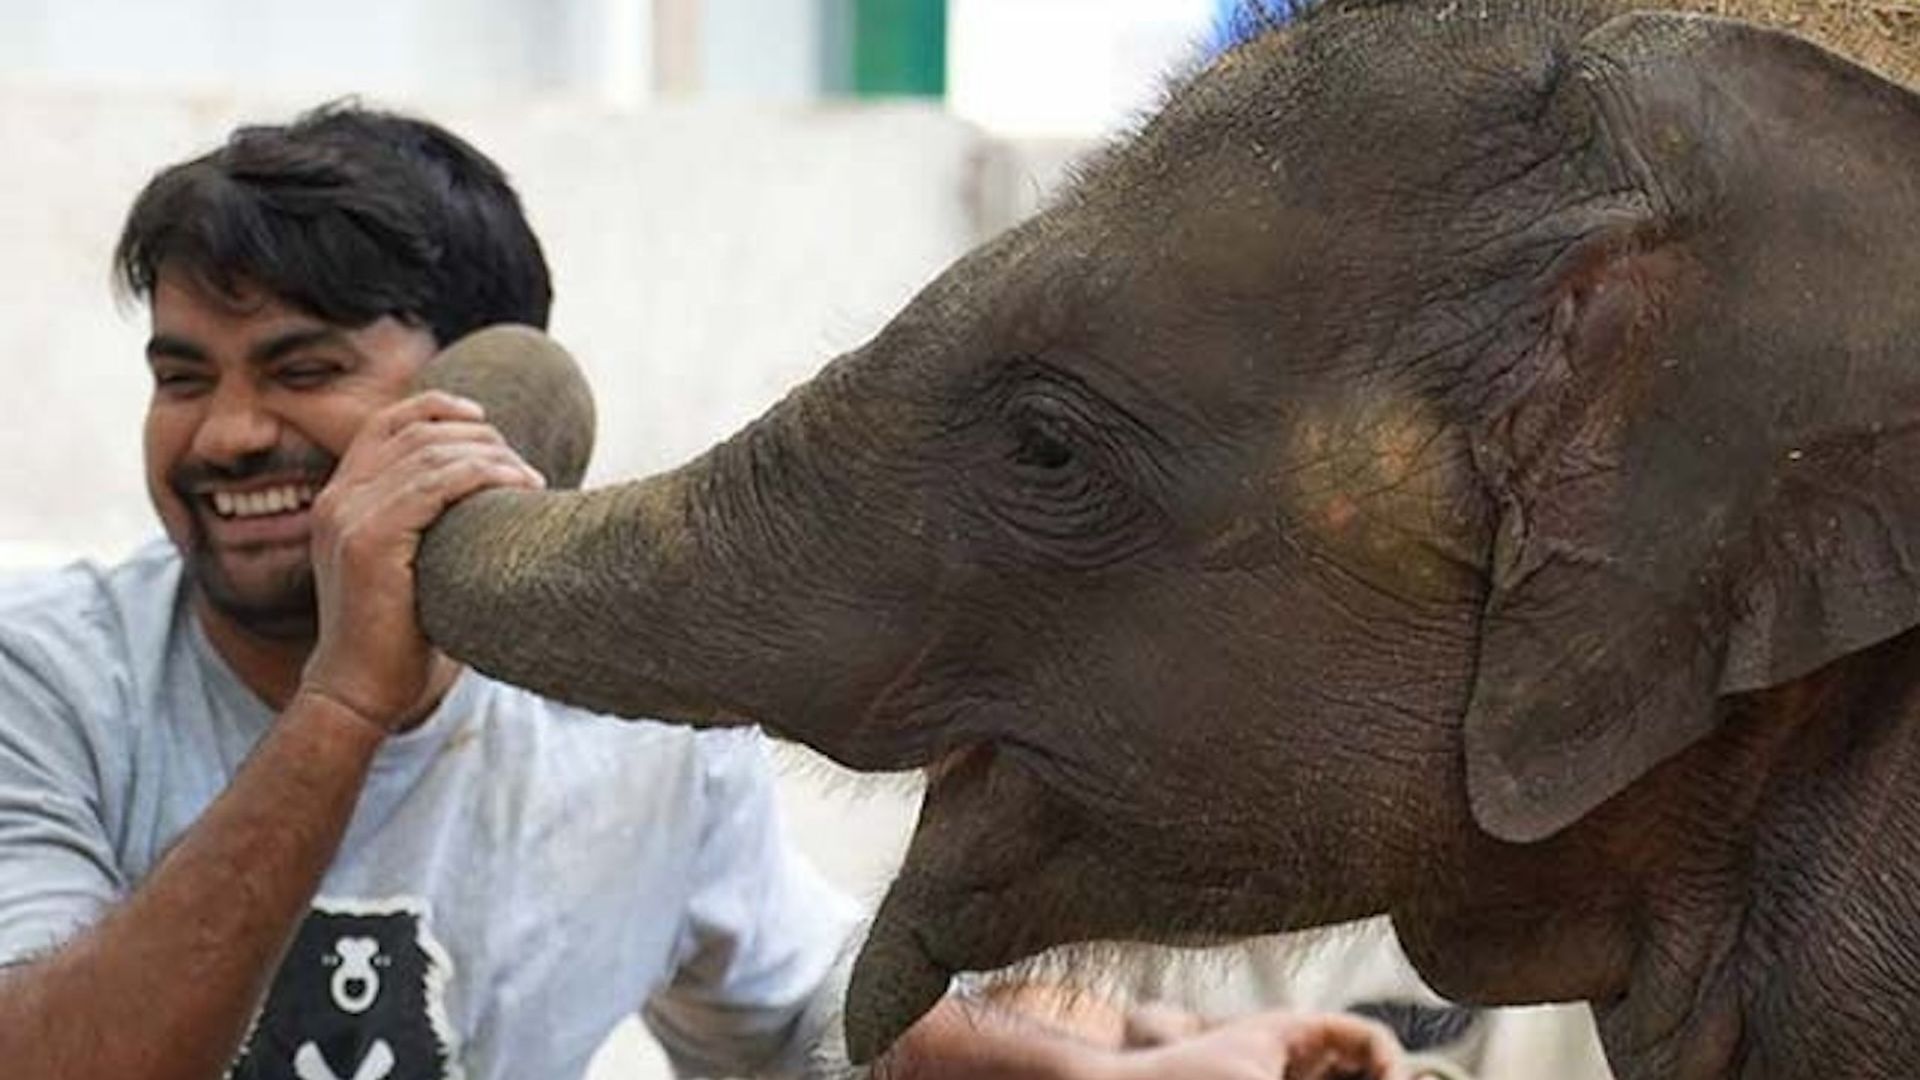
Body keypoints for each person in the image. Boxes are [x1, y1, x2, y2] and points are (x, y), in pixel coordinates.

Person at [0, 102, 1409, 1080]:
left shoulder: (631, 721)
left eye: (300, 371)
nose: (227, 433)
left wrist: (1141, 1068)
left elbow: (811, 1022)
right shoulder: (46, 683)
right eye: (183, 378)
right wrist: (346, 702)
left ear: (497, 398)